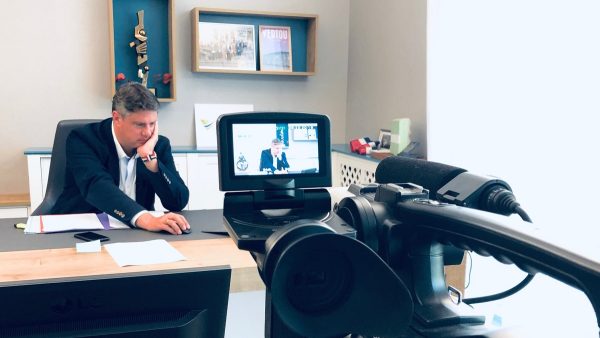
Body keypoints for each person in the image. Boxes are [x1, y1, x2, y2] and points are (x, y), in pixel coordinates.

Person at [50, 82, 190, 235]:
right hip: (82, 230)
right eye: (140, 125)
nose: (148, 133)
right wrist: (146, 219)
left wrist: (151, 162)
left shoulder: (157, 145)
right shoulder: (83, 139)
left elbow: (177, 201)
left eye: (152, 124)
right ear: (117, 118)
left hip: (136, 233)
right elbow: (98, 187)